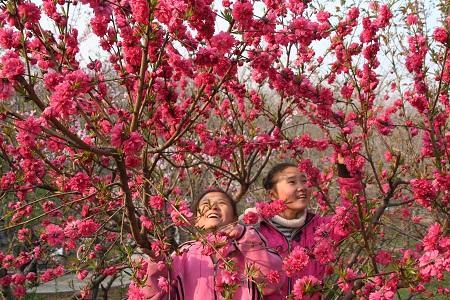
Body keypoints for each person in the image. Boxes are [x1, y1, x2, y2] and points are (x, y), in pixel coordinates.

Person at [129, 188, 285, 300]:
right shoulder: (183, 255)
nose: (213, 207)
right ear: (196, 219)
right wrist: (156, 266)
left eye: (221, 203)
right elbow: (158, 296)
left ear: (234, 216)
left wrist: (245, 236)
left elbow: (272, 282)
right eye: (206, 204)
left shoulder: (250, 244)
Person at [242, 160, 362, 299]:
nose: (302, 187)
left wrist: (344, 169)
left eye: (304, 181)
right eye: (292, 182)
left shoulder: (320, 228)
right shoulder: (253, 231)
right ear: (272, 194)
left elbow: (353, 219)